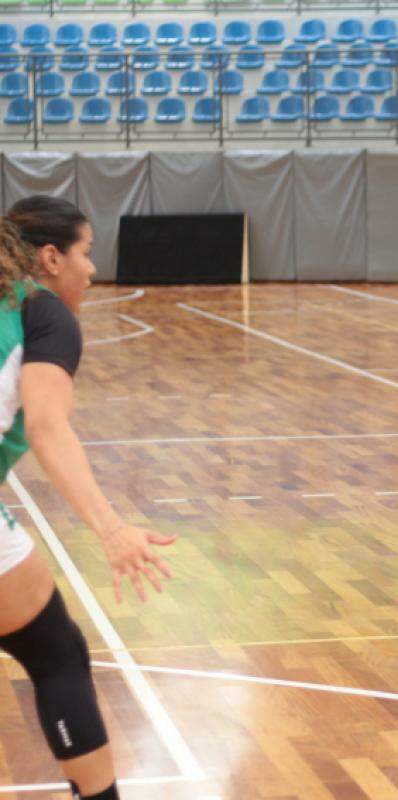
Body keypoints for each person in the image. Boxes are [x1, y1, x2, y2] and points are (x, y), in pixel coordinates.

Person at [1, 196, 175, 800]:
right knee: (56, 655)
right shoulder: (43, 314)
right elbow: (49, 427)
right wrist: (110, 527)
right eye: (86, 253)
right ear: (51, 257)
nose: (93, 269)